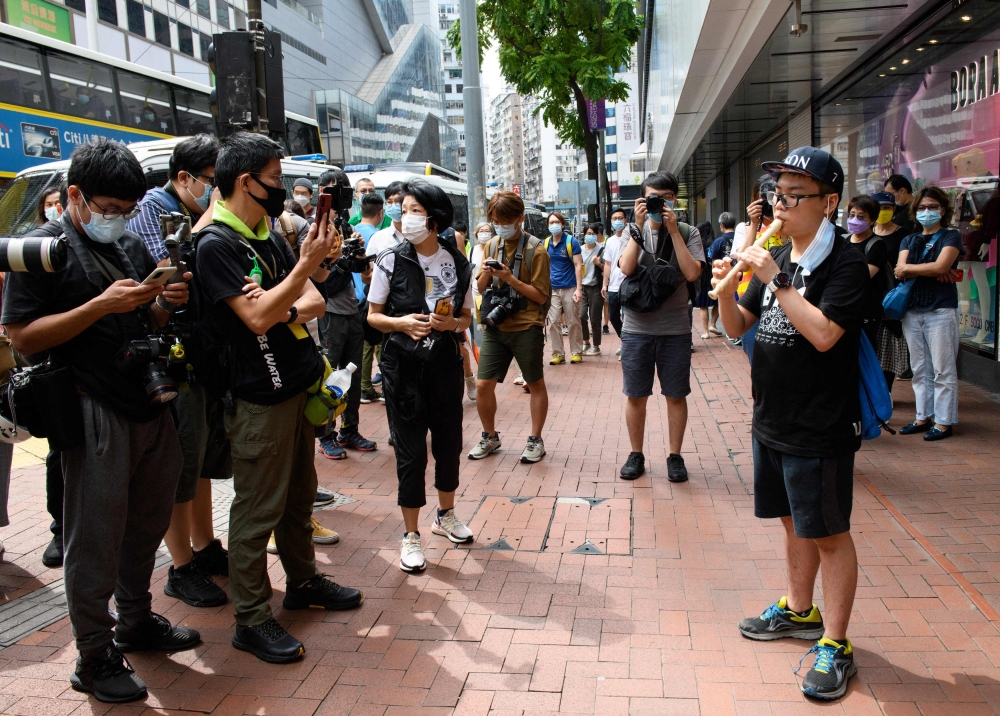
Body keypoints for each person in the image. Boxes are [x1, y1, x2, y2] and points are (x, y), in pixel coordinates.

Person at [2, 139, 200, 702]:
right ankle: (93, 653)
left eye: (124, 209)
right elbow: (21, 337)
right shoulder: (40, 249)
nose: (115, 219)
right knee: (93, 536)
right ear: (74, 196)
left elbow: (146, 317)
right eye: (107, 208)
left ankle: (135, 620)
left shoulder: (135, 245)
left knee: (147, 521)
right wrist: (97, 307)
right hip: (89, 407)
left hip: (148, 400)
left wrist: (163, 300)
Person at [195, 132, 363, 664]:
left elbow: (306, 300)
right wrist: (296, 276)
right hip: (256, 397)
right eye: (274, 179)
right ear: (246, 182)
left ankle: (304, 582)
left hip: (296, 385)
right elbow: (255, 316)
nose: (283, 188)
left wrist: (281, 299)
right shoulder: (216, 244)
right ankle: (251, 618)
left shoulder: (266, 232)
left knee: (298, 495)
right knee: (258, 509)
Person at [715, 146, 869, 701]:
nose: (780, 205)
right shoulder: (773, 249)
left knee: (828, 532)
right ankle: (799, 610)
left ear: (829, 202)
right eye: (777, 193)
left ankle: (836, 643)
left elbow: (826, 334)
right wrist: (728, 288)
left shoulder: (846, 264)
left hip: (820, 424)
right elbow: (738, 326)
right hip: (770, 418)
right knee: (790, 521)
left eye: (794, 195)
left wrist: (778, 278)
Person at [126, 135, 230, 609]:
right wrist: (211, 220)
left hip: (204, 352)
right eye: (213, 182)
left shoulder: (193, 207)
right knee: (180, 467)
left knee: (204, 461)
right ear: (184, 177)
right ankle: (180, 566)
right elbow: (164, 271)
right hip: (173, 355)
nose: (217, 192)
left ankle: (206, 547)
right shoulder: (154, 208)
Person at [367, 181, 475, 572]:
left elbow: (466, 317)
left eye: (413, 210)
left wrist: (450, 325)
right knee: (411, 451)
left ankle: (445, 515)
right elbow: (373, 316)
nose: (404, 216)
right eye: (402, 209)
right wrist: (401, 323)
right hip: (403, 368)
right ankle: (410, 535)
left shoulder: (458, 262)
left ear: (433, 218)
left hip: (444, 364)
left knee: (449, 444)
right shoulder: (390, 259)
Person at [618, 172, 704, 482]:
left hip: (675, 329)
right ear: (641, 199)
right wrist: (639, 228)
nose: (660, 203)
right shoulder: (633, 230)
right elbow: (627, 268)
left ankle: (675, 456)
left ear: (675, 200)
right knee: (635, 395)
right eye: (654, 197)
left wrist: (673, 232)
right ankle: (636, 454)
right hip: (637, 328)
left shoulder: (688, 231)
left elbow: (693, 273)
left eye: (667, 197)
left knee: (676, 395)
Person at [469, 191, 551, 463]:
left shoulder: (536, 250)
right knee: (483, 385)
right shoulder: (492, 245)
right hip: (496, 324)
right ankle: (489, 436)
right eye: (495, 220)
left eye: (505, 220)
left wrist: (509, 278)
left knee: (535, 383)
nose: (500, 225)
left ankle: (535, 440)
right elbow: (480, 287)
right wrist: (486, 273)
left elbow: (540, 296)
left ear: (519, 218)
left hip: (527, 324)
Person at [314, 169, 377, 461]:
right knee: (330, 377)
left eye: (343, 189)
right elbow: (320, 279)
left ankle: (349, 430)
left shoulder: (346, 226)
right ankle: (326, 433)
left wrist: (359, 261)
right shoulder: (316, 228)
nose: (338, 195)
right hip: (330, 312)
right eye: (331, 189)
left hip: (351, 310)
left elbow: (356, 273)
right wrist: (342, 263)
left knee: (351, 375)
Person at [895, 186, 962, 441]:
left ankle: (944, 422)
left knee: (943, 370)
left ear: (943, 210)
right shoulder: (909, 239)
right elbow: (900, 270)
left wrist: (917, 268)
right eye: (922, 208)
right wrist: (930, 269)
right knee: (920, 368)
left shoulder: (951, 236)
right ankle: (922, 417)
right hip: (912, 311)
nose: (927, 212)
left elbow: (943, 265)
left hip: (941, 309)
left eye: (932, 207)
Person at [362, 181, 405, 399]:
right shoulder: (379, 239)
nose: (394, 206)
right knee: (393, 373)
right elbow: (366, 275)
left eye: (398, 201)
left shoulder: (422, 237)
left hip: (417, 314)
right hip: (387, 313)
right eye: (389, 202)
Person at [871, 191, 911, 391]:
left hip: (892, 300)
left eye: (887, 207)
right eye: (879, 208)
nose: (883, 212)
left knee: (888, 350)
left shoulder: (903, 236)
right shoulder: (866, 233)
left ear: (894, 209)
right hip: (869, 300)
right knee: (872, 348)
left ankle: (885, 392)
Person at [844, 195, 889, 350]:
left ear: (872, 220)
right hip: (844, 310)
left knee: (864, 355)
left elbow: (862, 277)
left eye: (861, 217)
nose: (854, 219)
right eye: (851, 215)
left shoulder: (876, 245)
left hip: (866, 312)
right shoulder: (843, 241)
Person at [544, 212, 584, 364]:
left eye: (556, 222)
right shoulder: (545, 243)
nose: (554, 225)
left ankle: (576, 351)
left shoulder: (570, 242)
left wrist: (579, 289)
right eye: (551, 222)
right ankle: (558, 353)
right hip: (552, 289)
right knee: (553, 321)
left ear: (562, 224)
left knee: (573, 320)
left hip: (570, 287)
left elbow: (578, 265)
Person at [601, 208, 629, 357]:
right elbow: (607, 264)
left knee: (628, 316)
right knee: (613, 316)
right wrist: (605, 284)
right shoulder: (610, 241)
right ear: (611, 222)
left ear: (625, 219)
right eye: (615, 218)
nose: (618, 221)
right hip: (613, 286)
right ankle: (625, 341)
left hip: (629, 284)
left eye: (620, 218)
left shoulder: (632, 237)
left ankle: (628, 345)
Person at [707, 212, 736, 339]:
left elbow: (714, 262)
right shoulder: (743, 238)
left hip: (725, 278)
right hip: (742, 276)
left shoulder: (718, 241)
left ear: (722, 225)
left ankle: (732, 331)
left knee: (725, 302)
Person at [579, 224, 604, 356]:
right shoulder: (579, 249)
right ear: (584, 235)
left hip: (596, 287)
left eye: (593, 233)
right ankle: (586, 342)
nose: (590, 236)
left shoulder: (601, 250)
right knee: (582, 315)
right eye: (588, 233)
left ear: (597, 235)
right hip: (582, 287)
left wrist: (598, 263)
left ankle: (596, 345)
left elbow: (607, 270)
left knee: (595, 318)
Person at [694, 220, 718, 339]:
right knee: (718, 302)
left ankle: (705, 332)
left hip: (703, 277)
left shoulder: (698, 244)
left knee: (703, 305)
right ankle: (713, 324)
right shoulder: (716, 243)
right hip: (715, 275)